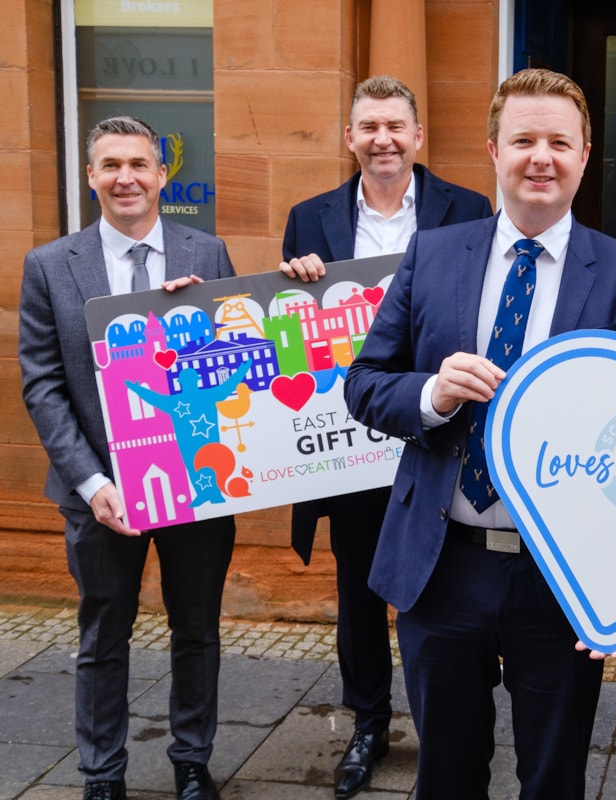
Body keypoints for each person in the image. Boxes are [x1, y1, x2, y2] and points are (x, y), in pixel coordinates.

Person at [343, 68, 616, 798]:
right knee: (446, 776)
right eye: (524, 139)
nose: (541, 157)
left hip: (560, 577)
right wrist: (430, 393)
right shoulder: (432, 255)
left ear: (586, 156)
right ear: (493, 149)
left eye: (560, 141)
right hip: (442, 565)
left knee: (553, 778)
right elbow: (363, 383)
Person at [277, 73, 492, 800]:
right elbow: (287, 334)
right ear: (350, 137)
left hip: (439, 435)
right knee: (361, 590)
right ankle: (369, 720)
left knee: (446, 585)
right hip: (351, 441)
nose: (383, 139)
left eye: (395, 126)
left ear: (418, 136)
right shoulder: (309, 218)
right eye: (368, 126)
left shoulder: (470, 210)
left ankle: (452, 717)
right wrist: (292, 286)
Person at [19, 116, 237, 800]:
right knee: (102, 638)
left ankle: (192, 760)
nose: (126, 178)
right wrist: (89, 483)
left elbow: (238, 369)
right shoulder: (51, 265)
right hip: (100, 492)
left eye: (139, 164)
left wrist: (197, 326)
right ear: (91, 177)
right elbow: (43, 382)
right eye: (110, 165)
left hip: (195, 483)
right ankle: (101, 774)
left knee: (197, 629)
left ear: (161, 175)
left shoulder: (207, 253)